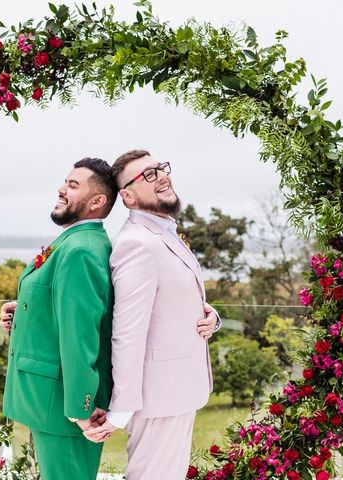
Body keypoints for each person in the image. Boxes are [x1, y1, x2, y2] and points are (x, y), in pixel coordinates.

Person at [84, 149, 220, 479]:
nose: (160, 175)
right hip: (158, 399)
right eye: (147, 174)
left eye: (160, 168)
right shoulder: (137, 243)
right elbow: (127, 331)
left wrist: (210, 316)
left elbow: (170, 299)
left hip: (177, 392)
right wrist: (122, 407)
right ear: (127, 196)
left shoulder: (163, 233)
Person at [0, 157, 117, 480]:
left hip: (66, 409)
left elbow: (81, 335)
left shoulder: (81, 250)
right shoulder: (75, 241)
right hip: (51, 405)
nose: (62, 189)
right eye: (66, 181)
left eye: (73, 185)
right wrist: (24, 310)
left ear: (97, 201)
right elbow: (62, 305)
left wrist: (81, 409)